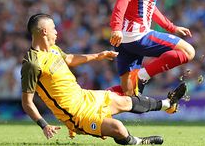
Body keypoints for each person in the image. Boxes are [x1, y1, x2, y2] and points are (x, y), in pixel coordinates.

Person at [21, 13, 187, 145]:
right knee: (118, 128)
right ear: (44, 31)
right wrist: (44, 124)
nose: (56, 31)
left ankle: (167, 104)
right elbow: (27, 102)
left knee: (126, 101)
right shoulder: (32, 64)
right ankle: (138, 143)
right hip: (76, 115)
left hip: (85, 97)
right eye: (53, 28)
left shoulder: (53, 49)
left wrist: (98, 56)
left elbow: (69, 59)